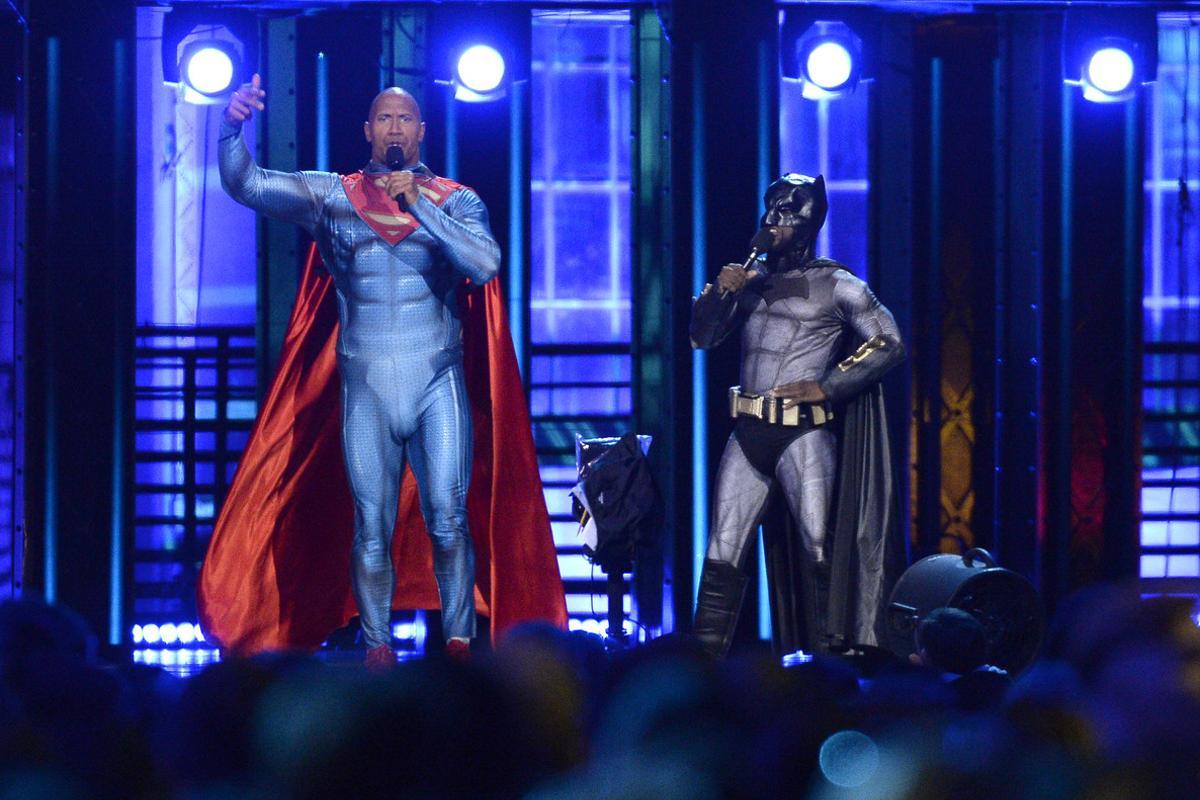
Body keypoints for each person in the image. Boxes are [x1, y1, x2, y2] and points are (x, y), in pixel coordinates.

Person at [214, 76, 500, 667]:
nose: (395, 129)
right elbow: (247, 184)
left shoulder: (457, 199)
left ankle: (460, 647)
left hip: (435, 382)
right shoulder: (333, 196)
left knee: (448, 519)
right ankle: (377, 650)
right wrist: (231, 126)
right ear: (368, 131)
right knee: (370, 526)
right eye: (384, 120)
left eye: (405, 120)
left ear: (422, 132)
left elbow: (485, 263)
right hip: (366, 385)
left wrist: (419, 206)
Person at [689, 173, 905, 658]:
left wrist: (829, 386)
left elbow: (890, 341)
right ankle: (700, 668)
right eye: (770, 209)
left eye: (786, 211)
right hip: (748, 432)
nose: (772, 220)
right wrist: (719, 292)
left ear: (809, 220)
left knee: (819, 549)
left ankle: (833, 662)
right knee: (721, 552)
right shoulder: (750, 283)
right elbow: (701, 338)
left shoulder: (839, 285)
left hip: (801, 433)